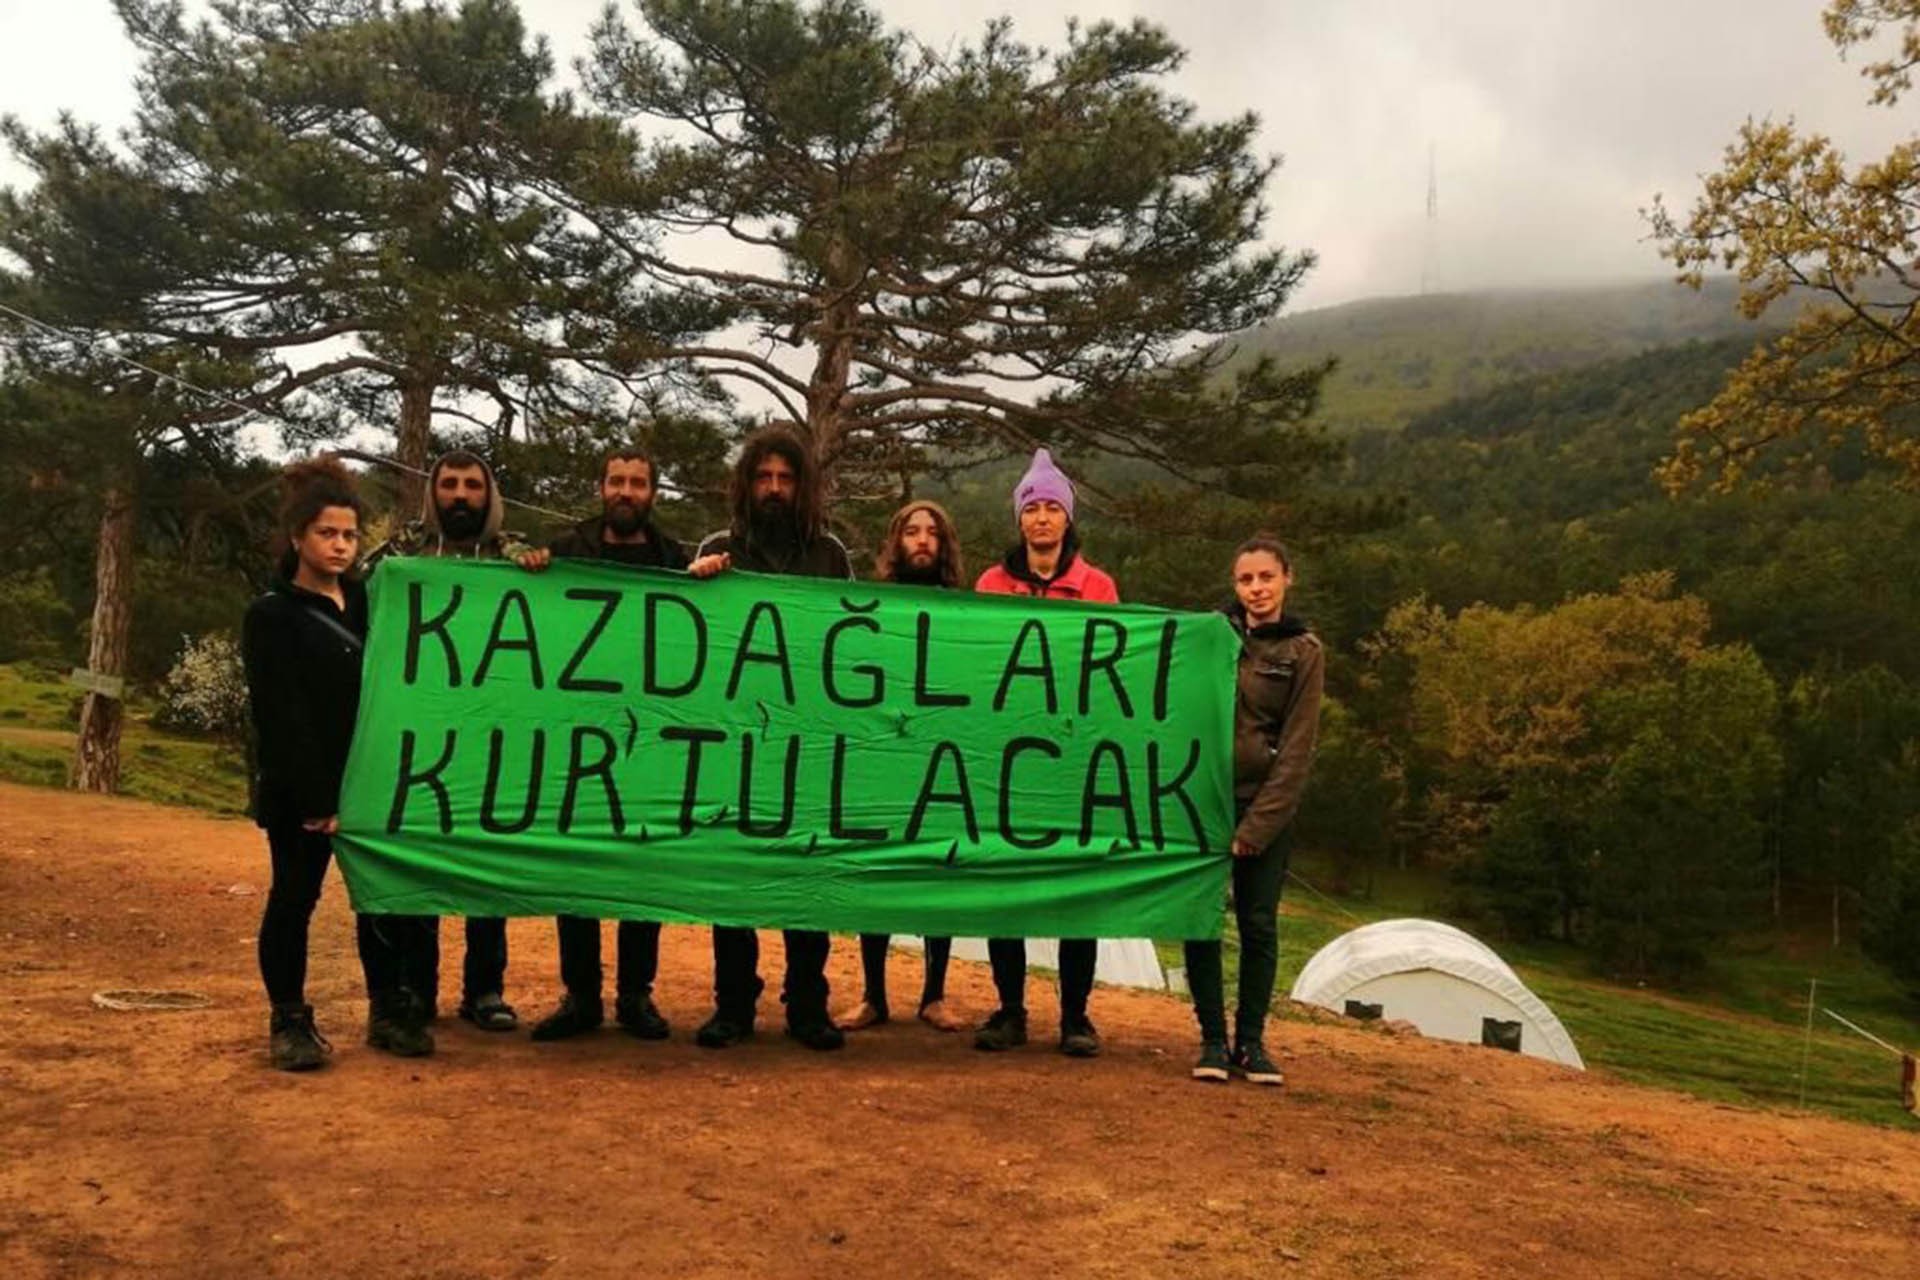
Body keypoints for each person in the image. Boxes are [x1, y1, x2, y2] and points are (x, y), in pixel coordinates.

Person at [522, 446, 726, 1043]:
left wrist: (710, 581)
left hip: (650, 739)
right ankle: (580, 996)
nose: (627, 491)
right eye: (617, 481)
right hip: (577, 733)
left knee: (643, 866)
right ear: (600, 487)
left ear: (653, 493)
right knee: (575, 865)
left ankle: (636, 995)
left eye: (638, 482)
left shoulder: (674, 561)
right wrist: (527, 566)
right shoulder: (564, 553)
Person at [241, 458, 434, 1069]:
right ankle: (290, 1022)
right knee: (295, 899)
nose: (341, 545)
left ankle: (388, 1010)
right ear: (298, 536)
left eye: (350, 535)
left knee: (378, 900)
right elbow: (281, 717)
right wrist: (320, 799)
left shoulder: (370, 603)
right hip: (304, 793)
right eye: (327, 533)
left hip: (372, 785)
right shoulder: (271, 615)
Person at [692, 427, 853, 1052]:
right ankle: (733, 1003)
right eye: (765, 478)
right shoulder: (715, 548)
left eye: (786, 479)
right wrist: (693, 584)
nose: (776, 490)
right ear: (747, 484)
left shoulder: (831, 554)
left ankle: (808, 1003)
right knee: (733, 876)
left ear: (803, 486)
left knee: (804, 878)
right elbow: (685, 635)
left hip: (807, 744)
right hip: (734, 741)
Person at [367, 450, 537, 1032]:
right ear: (433, 492)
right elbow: (355, 600)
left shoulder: (514, 554)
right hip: (417, 740)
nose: (459, 496)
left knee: (485, 868)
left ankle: (485, 989)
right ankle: (418, 988)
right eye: (449, 485)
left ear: (489, 496)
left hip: (492, 741)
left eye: (471, 486)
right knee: (422, 868)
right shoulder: (401, 552)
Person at [971, 448, 1119, 1058]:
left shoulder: (1099, 586)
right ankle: (1010, 1009)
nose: (1042, 519)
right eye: (1032, 508)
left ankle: (1076, 1016)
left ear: (1067, 519)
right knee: (1006, 887)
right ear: (1019, 520)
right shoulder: (989, 584)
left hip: (1072, 761)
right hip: (1006, 758)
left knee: (1073, 890)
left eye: (1053, 507)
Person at [1184, 536, 1323, 1087]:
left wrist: (1258, 826)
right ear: (1235, 585)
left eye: (1266, 577)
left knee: (1258, 925)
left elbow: (1297, 748)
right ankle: (1212, 1040)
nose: (1257, 589)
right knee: (1200, 923)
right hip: (1202, 804)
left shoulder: (1304, 651)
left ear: (1287, 578)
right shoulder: (1210, 637)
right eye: (1246, 580)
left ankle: (1253, 1043)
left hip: (1263, 809)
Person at [832, 500, 970, 1035]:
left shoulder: (967, 612)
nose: (921, 540)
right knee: (880, 874)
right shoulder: (874, 607)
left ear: (944, 544)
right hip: (883, 755)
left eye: (931, 533)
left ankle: (934, 996)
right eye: (911, 531)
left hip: (941, 759)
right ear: (896, 542)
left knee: (939, 875)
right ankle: (873, 996)